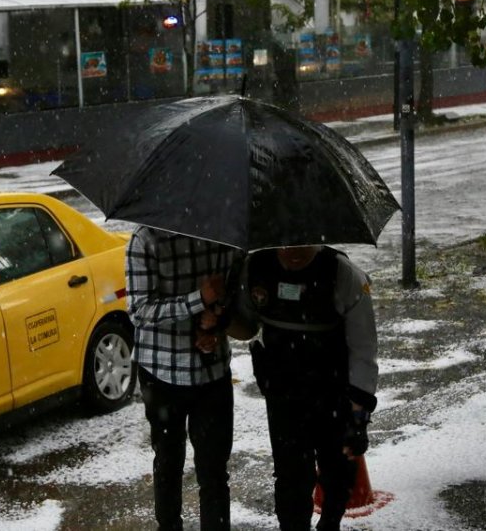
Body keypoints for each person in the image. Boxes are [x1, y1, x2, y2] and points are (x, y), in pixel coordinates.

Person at [233, 245, 378, 531]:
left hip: (332, 391)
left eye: (304, 242)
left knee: (337, 472)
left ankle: (330, 523)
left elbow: (364, 348)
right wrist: (218, 314)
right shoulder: (256, 268)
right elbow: (245, 326)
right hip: (283, 393)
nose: (294, 251)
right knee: (291, 479)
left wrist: (359, 417)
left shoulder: (342, 274)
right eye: (286, 243)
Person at [126, 225, 241, 531]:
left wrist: (216, 320)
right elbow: (139, 309)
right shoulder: (145, 240)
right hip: (161, 374)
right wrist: (197, 300)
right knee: (168, 464)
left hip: (211, 373)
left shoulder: (224, 232)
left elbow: (236, 289)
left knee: (214, 472)